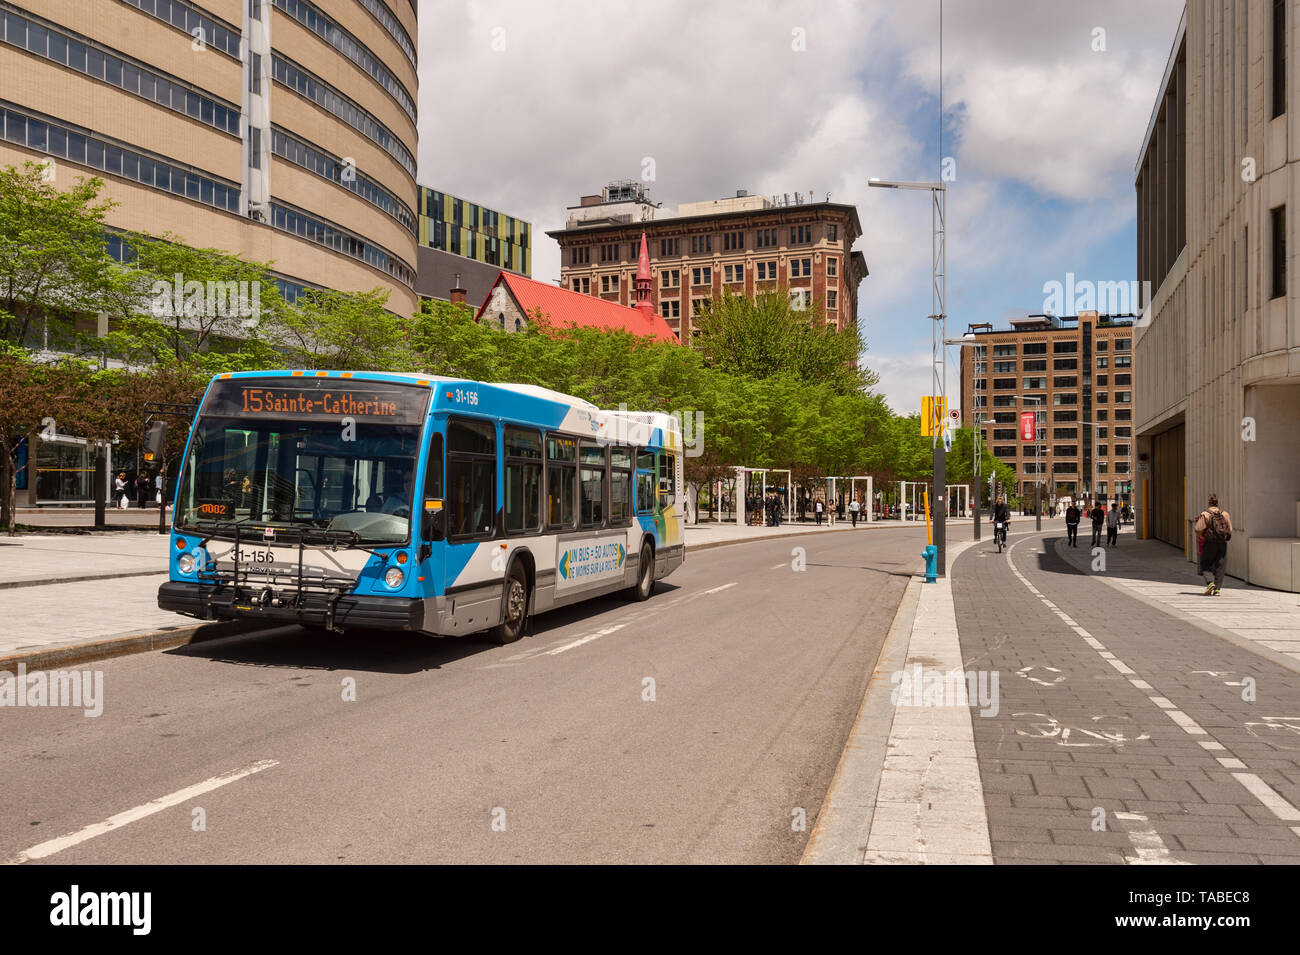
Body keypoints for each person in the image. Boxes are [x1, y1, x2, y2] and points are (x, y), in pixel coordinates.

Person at [1194, 494, 1233, 595]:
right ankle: (1217, 590)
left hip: (1209, 543)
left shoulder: (1205, 514)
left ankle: (1210, 583)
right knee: (1220, 565)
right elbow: (1230, 529)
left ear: (1209, 503)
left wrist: (1203, 536)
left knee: (1205, 564)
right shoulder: (1225, 514)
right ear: (1217, 503)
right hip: (1222, 543)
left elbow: (1198, 529)